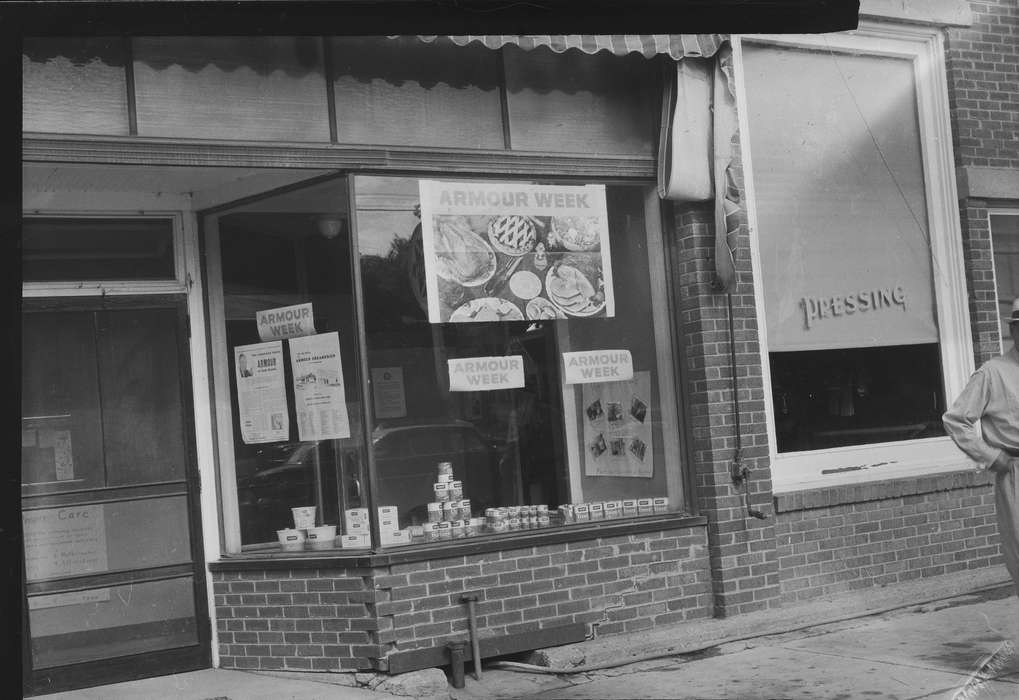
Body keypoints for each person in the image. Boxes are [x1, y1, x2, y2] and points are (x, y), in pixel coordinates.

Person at [943, 297, 1019, 598]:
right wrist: (989, 456)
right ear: (1014, 330)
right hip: (1014, 470)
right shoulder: (992, 372)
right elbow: (956, 420)